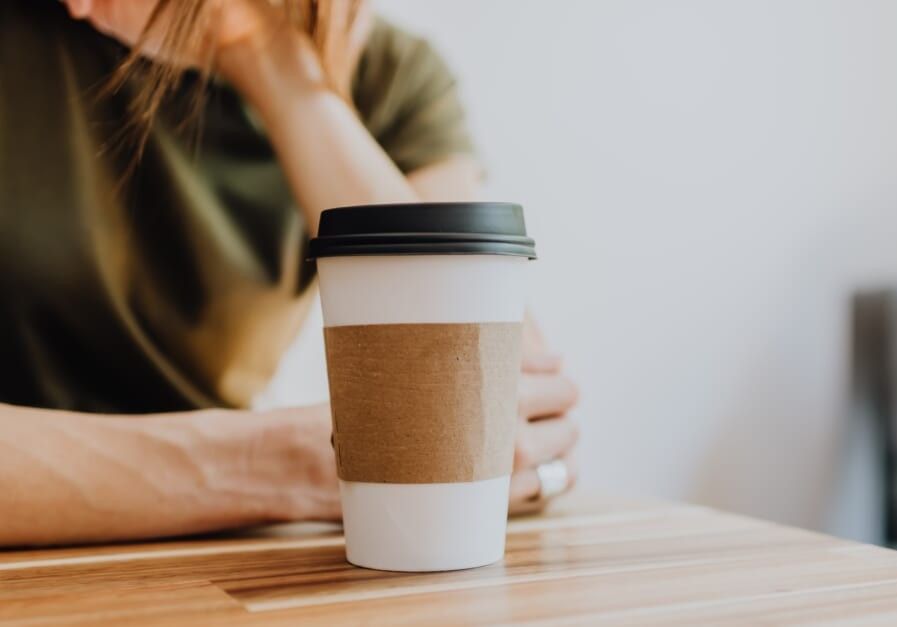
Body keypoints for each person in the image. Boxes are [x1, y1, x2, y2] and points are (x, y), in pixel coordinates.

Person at [0, 0, 579, 546]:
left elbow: (498, 407)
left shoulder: (386, 78)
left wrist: (276, 69)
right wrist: (272, 466)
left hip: (221, 556)